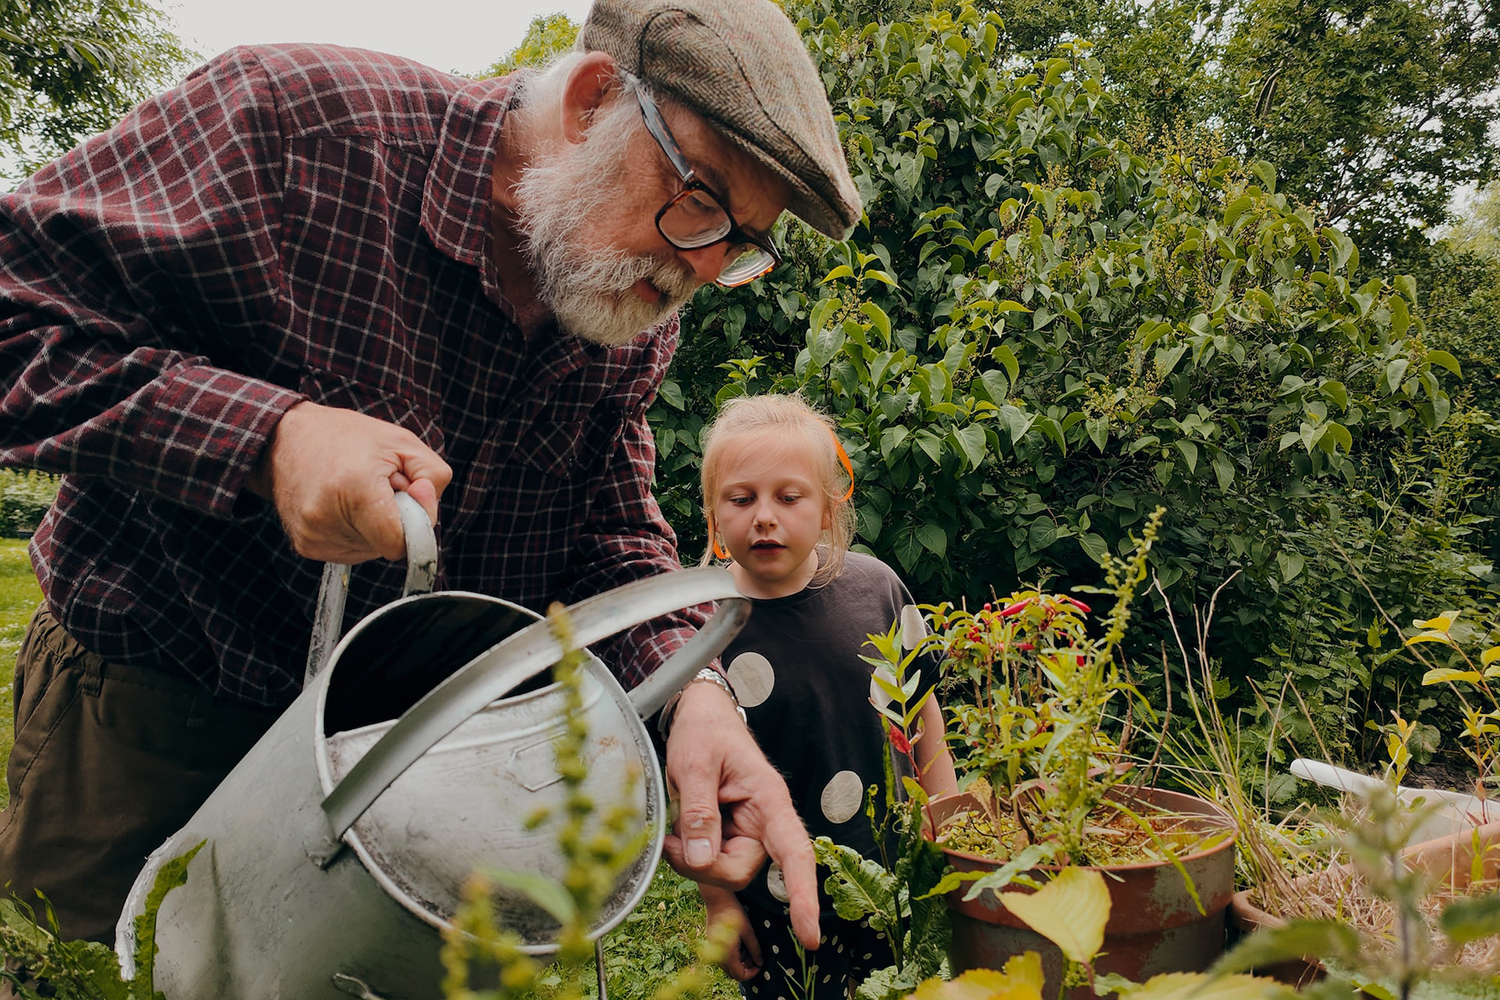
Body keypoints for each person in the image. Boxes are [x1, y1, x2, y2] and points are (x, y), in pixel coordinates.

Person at [0, 0, 860, 953]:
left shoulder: (627, 291)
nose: (701, 264)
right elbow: (17, 317)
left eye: (739, 242)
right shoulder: (296, 130)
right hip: (152, 719)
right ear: (589, 101)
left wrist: (693, 692)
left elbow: (604, 534)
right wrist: (268, 439)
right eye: (700, 196)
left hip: (405, 766)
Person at [691, 394, 958, 999]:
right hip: (771, 895)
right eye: (741, 498)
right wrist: (718, 899)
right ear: (712, 512)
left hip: (891, 874)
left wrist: (950, 818)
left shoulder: (876, 588)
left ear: (830, 509)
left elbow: (923, 717)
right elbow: (695, 786)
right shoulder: (697, 621)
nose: (764, 516)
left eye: (789, 497)